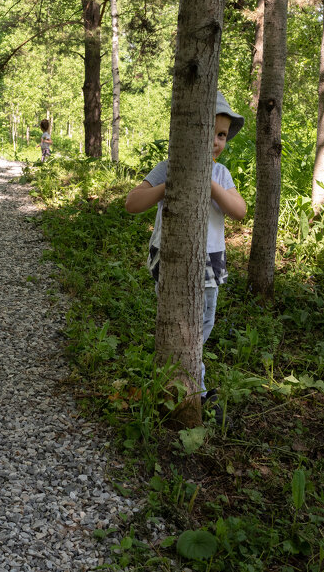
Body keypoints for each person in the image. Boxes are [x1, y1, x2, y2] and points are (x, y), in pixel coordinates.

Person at [124, 90, 247, 420]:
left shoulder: (221, 175)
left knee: (201, 324)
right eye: (211, 133)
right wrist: (169, 185)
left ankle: (184, 380)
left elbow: (240, 211)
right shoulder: (169, 166)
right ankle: (197, 391)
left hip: (210, 259)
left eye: (222, 135)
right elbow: (132, 203)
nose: (217, 142)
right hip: (169, 256)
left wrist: (210, 185)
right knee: (179, 324)